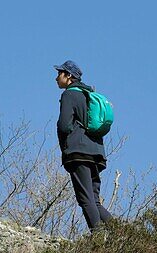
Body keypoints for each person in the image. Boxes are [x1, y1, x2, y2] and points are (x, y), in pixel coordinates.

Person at [54, 60, 113, 232]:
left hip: (78, 151)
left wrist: (65, 143)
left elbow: (64, 125)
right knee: (94, 200)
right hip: (96, 153)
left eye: (59, 73)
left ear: (69, 76)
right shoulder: (88, 94)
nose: (56, 78)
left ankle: (97, 241)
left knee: (85, 199)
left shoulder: (69, 94)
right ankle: (124, 234)